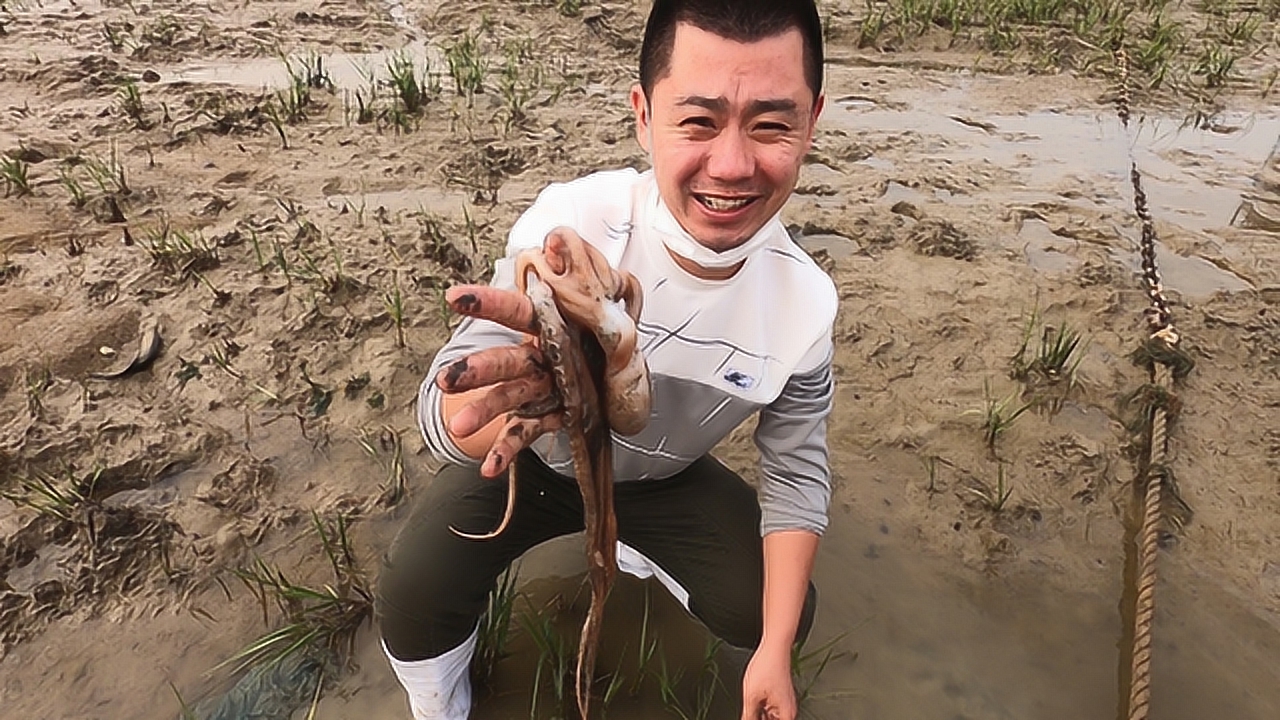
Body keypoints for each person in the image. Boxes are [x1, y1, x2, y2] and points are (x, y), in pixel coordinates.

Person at [376, 1, 836, 718]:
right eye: (697, 120)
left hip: (665, 478)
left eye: (773, 123)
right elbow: (444, 426)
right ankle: (440, 703)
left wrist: (775, 650)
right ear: (643, 114)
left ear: (812, 119)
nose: (733, 164)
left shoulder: (806, 304)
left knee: (778, 609)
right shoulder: (573, 224)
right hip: (536, 461)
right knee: (411, 596)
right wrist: (519, 395)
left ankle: (637, 546)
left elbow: (796, 472)